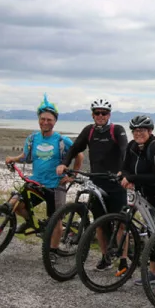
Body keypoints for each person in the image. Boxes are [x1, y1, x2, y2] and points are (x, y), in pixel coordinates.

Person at [4, 94, 84, 250]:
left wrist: (72, 175)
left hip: (55, 185)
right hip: (36, 182)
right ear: (38, 119)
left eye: (49, 119)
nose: (45, 122)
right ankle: (32, 223)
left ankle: (53, 251)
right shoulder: (32, 139)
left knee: (56, 221)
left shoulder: (62, 140)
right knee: (15, 204)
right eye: (43, 119)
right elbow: (27, 157)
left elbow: (79, 155)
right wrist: (14, 158)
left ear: (55, 121)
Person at [56, 98, 128, 271]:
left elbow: (125, 150)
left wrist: (124, 171)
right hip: (97, 183)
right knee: (99, 223)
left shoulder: (117, 130)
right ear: (93, 114)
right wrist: (64, 163)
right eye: (97, 113)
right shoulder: (89, 131)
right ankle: (105, 258)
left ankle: (124, 260)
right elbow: (75, 149)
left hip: (116, 183)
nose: (101, 116)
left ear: (109, 115)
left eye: (104, 113)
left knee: (121, 223)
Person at [117, 115, 155, 283]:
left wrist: (133, 179)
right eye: (135, 131)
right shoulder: (132, 147)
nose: (138, 133)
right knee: (152, 233)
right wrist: (125, 176)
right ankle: (153, 274)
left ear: (150, 131)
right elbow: (125, 168)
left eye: (142, 130)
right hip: (147, 197)